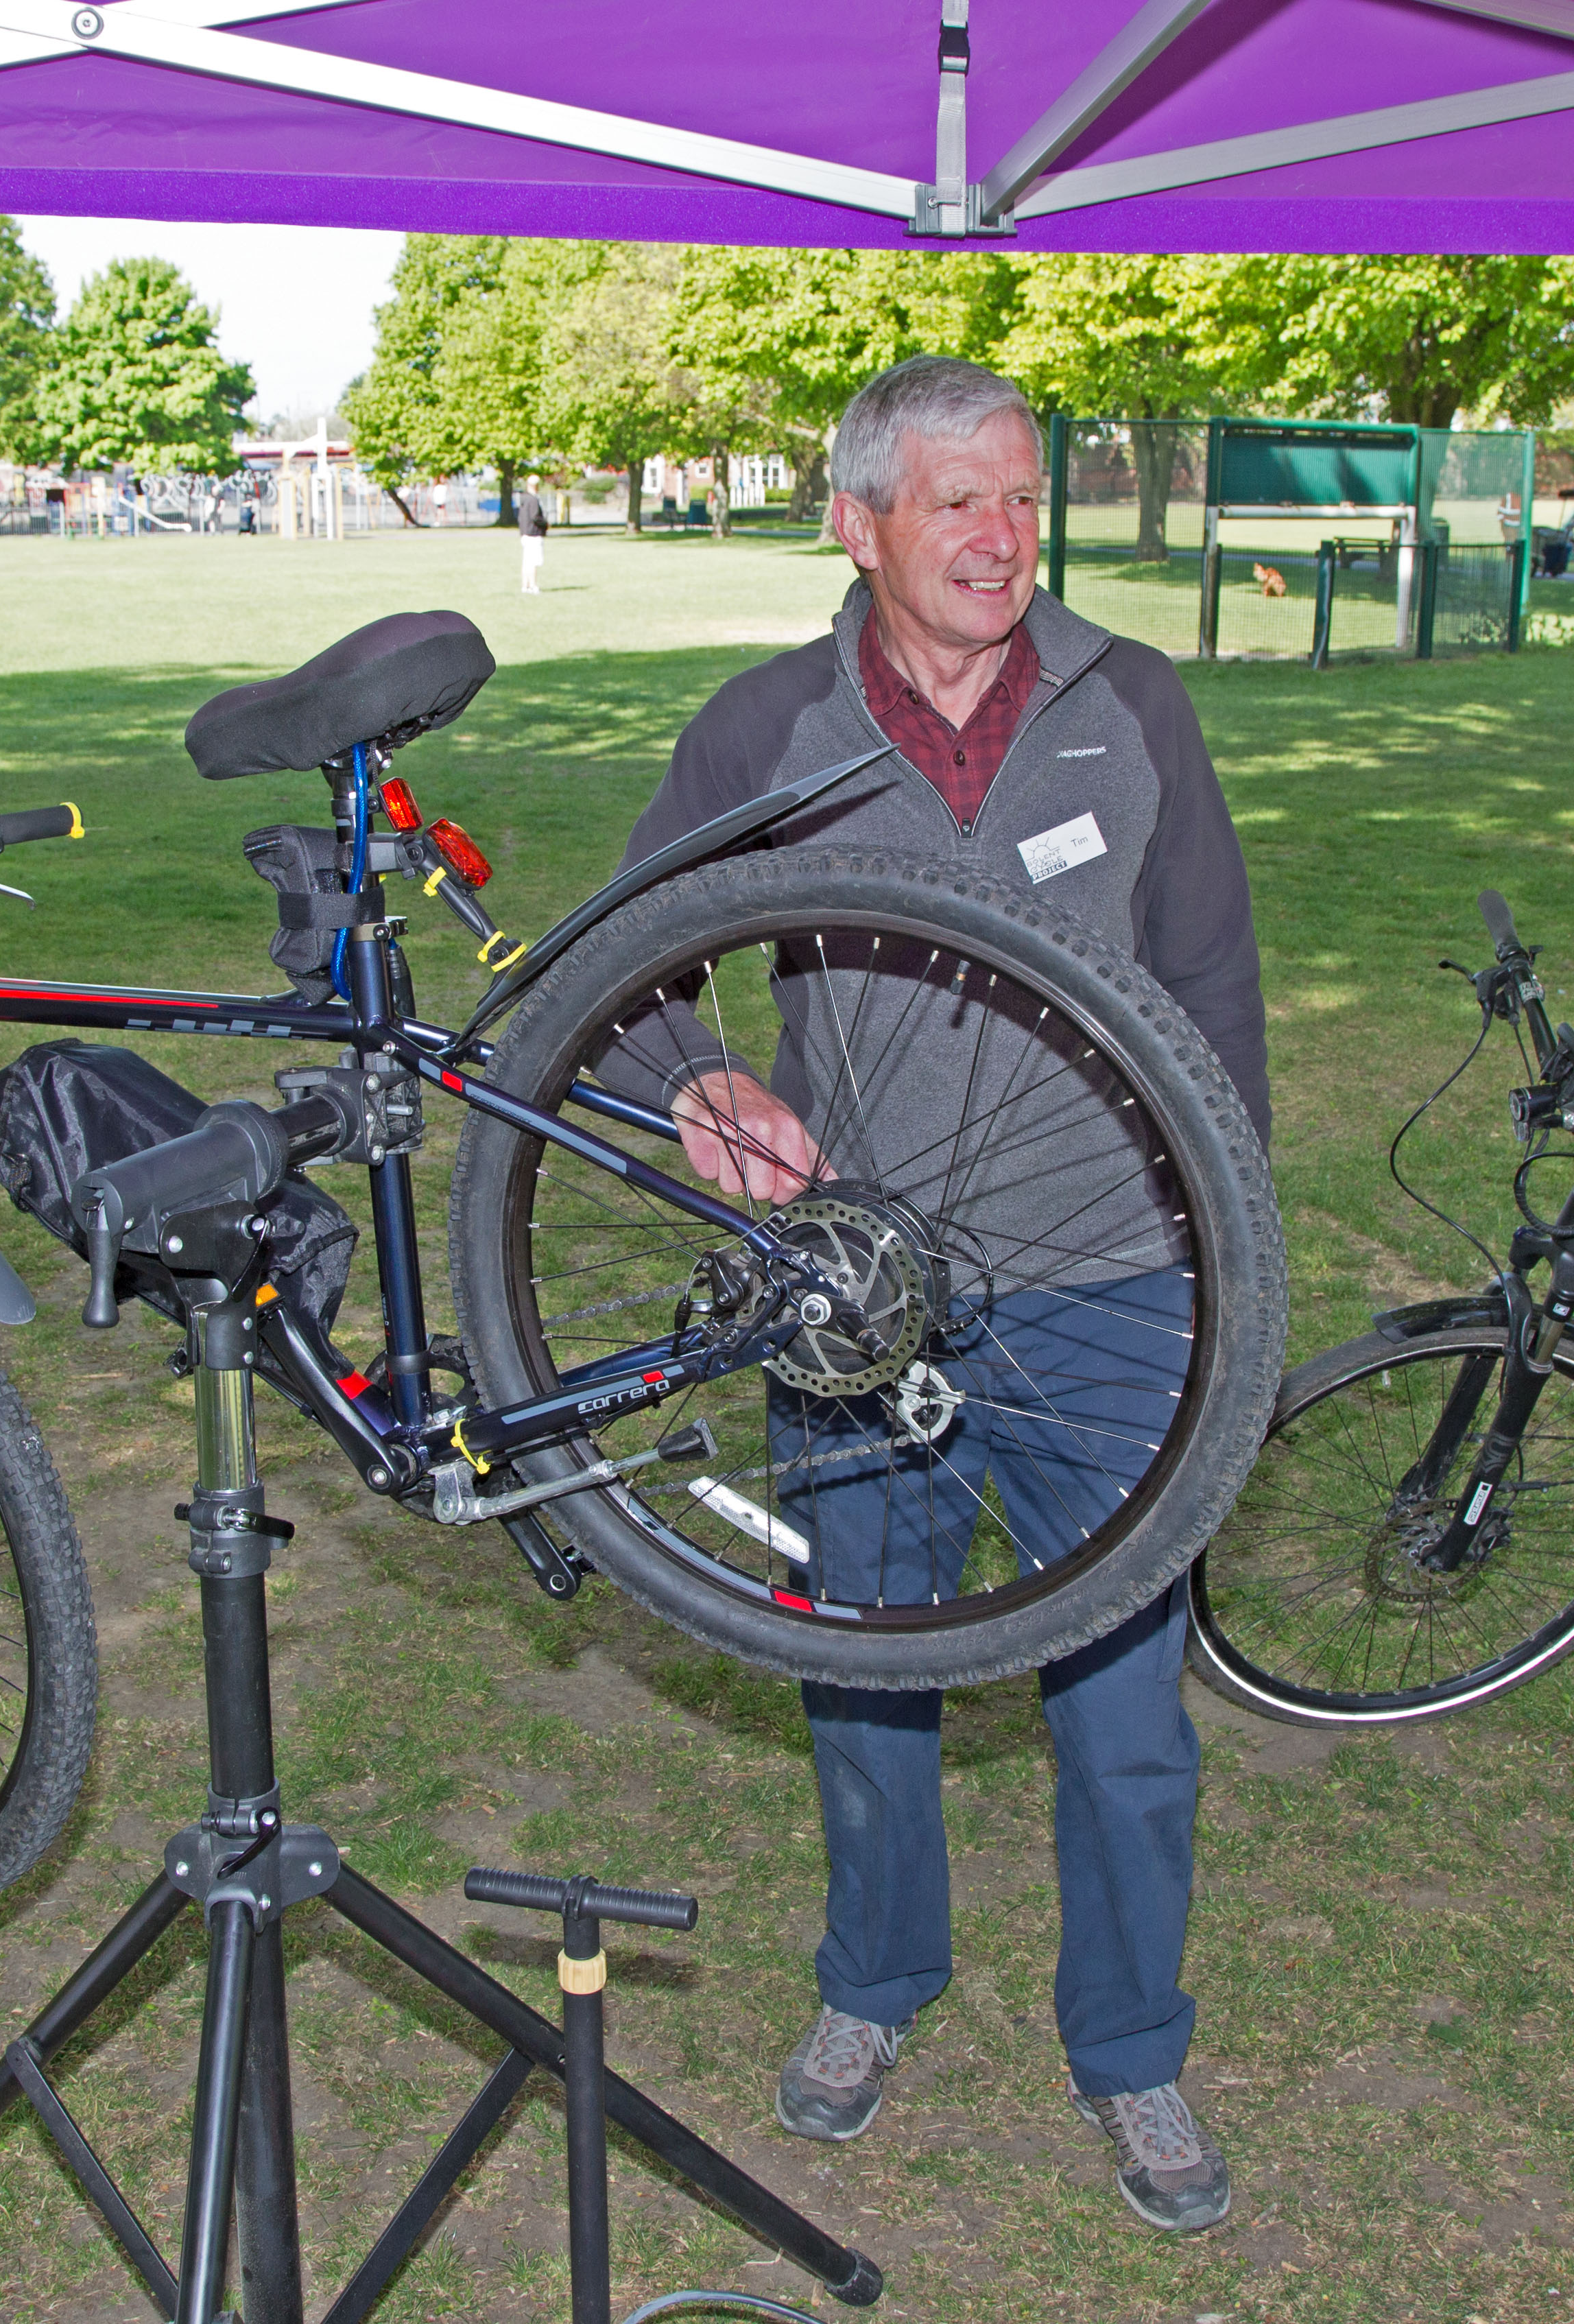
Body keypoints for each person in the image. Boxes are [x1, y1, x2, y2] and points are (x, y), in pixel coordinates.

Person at [608, 355, 1267, 2237]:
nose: (1001, 537)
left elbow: (1214, 989)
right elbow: (628, 969)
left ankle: (1133, 2045)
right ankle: (874, 1986)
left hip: (1115, 1286)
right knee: (864, 1669)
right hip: (853, 1296)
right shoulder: (763, 732)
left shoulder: (1129, 703)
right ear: (860, 520)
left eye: (1021, 497)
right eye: (957, 500)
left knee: (1126, 1707)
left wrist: (1225, 1263)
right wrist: (698, 1085)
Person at [518, 473, 549, 591]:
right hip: (534, 534)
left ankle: (525, 586)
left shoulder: (524, 499)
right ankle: (533, 585)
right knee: (533, 562)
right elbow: (535, 517)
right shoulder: (533, 500)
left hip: (525, 534)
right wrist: (545, 524)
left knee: (526, 562)